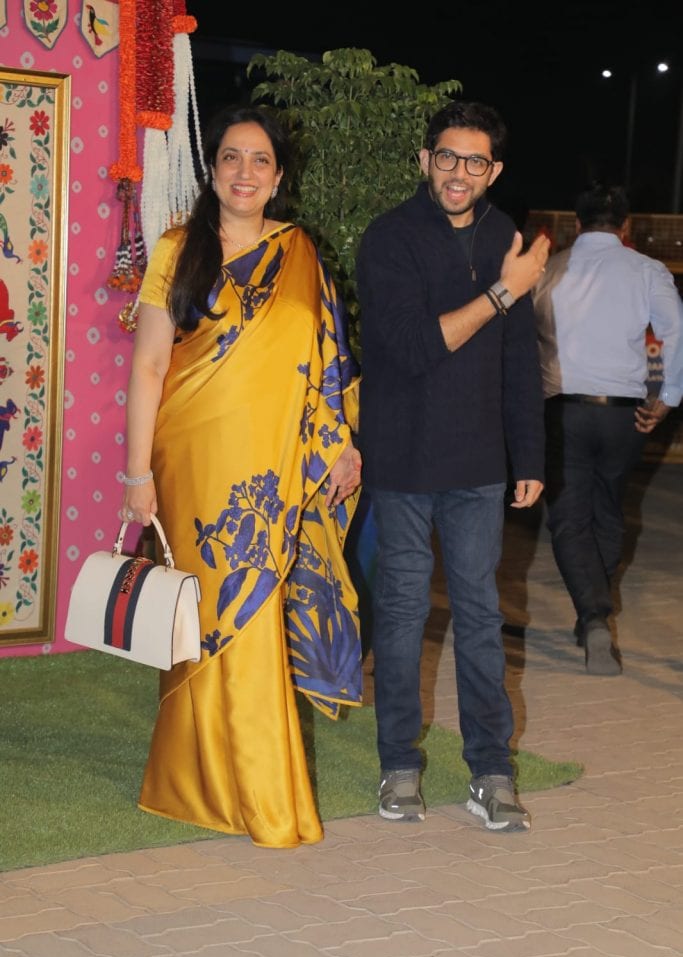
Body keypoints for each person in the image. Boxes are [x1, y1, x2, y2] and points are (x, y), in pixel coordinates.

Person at [120, 105, 363, 849]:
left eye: (260, 161)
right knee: (201, 614)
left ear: (279, 177)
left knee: (254, 616)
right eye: (232, 158)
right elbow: (151, 364)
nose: (245, 172)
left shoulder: (301, 255)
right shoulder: (174, 250)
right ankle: (229, 790)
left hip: (270, 467)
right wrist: (136, 473)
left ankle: (234, 787)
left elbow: (325, 366)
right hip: (192, 458)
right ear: (213, 169)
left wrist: (339, 444)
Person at [355, 100, 550, 832]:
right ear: (424, 160)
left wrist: (527, 452)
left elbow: (515, 357)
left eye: (474, 161)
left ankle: (490, 773)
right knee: (403, 615)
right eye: (446, 157)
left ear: (492, 170)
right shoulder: (389, 239)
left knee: (478, 616)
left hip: (477, 463)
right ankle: (398, 766)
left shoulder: (504, 235)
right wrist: (503, 290)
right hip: (404, 457)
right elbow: (412, 346)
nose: (458, 173)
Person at [532, 182, 683, 675]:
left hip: (564, 410)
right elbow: (675, 329)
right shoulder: (646, 270)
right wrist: (668, 399)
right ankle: (591, 613)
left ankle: (594, 616)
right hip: (625, 414)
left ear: (576, 225)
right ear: (626, 226)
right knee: (609, 511)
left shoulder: (551, 270)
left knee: (570, 520)